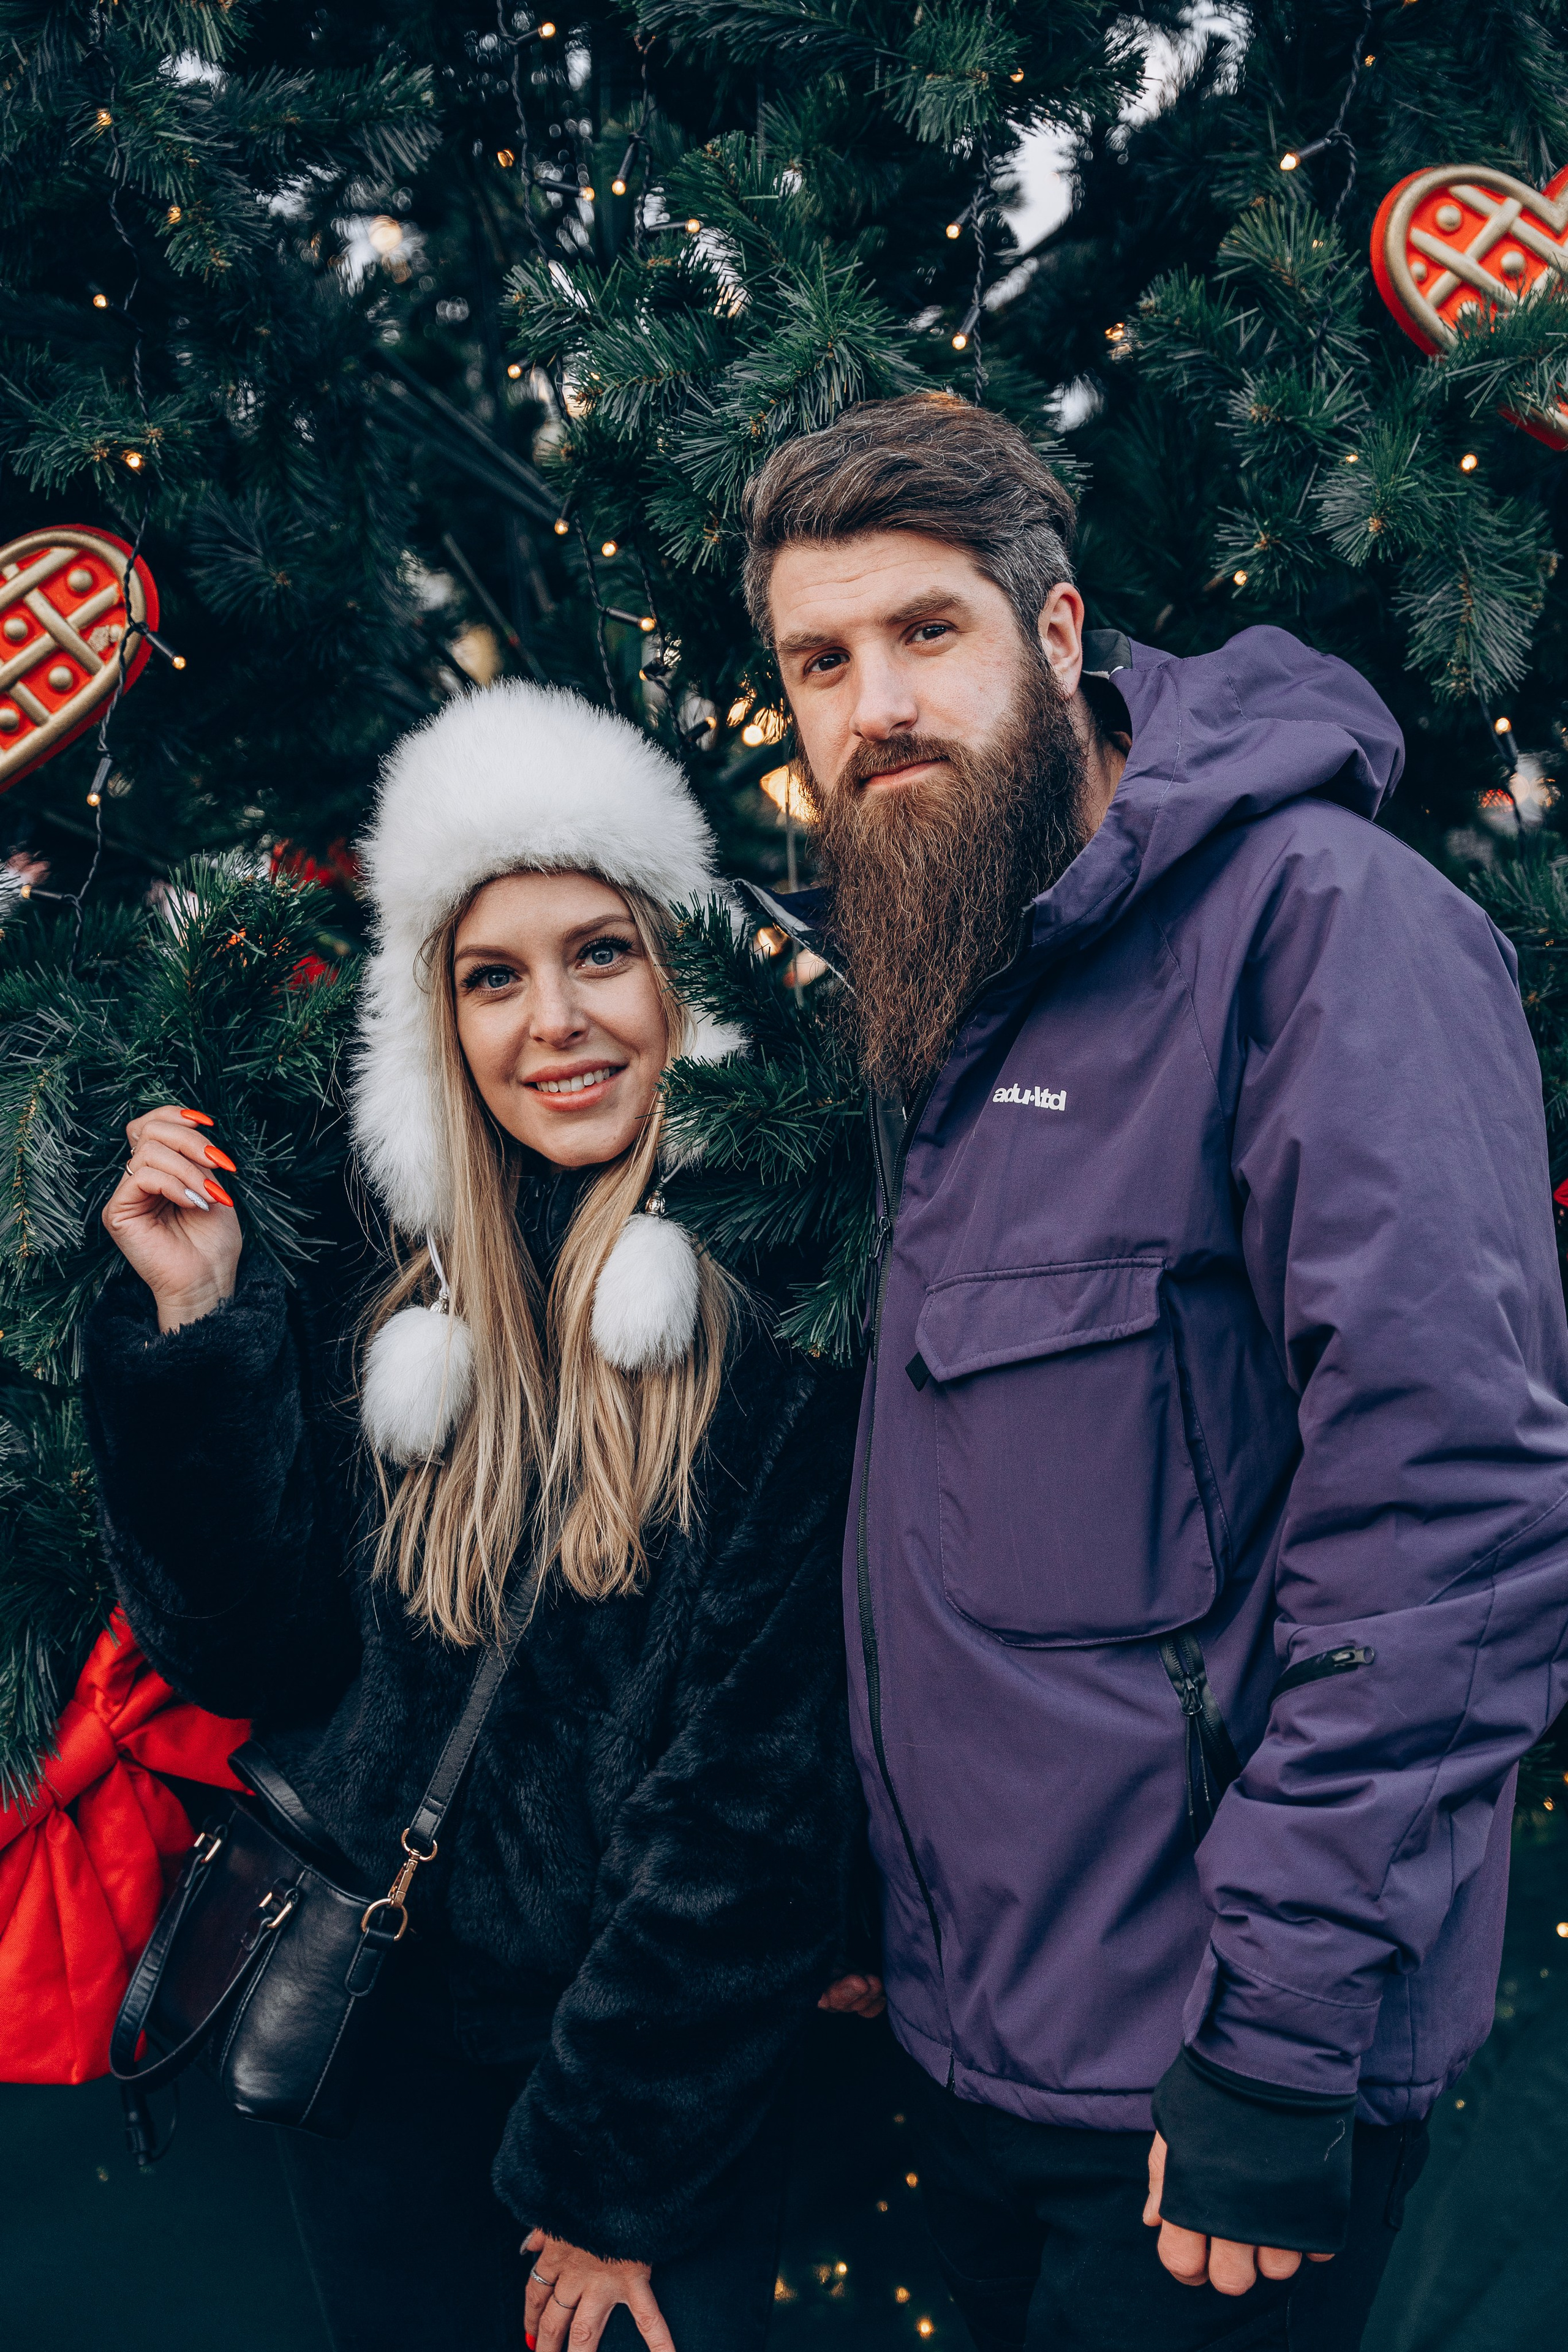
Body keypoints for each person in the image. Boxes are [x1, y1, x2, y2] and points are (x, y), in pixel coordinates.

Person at [738, 391, 1568, 2352]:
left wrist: (1278, 2041)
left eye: (925, 631)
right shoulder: (953, 964)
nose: (876, 707)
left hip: (1206, 2090)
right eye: (821, 663)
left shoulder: (1327, 932)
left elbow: (1453, 1524)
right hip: (976, 2054)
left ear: (1055, 634)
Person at [83, 682, 874, 2352]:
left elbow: (756, 1798)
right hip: (374, 2051)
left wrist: (610, 2178)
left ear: (681, 971)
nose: (555, 1023)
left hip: (636, 2089)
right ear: (436, 1020)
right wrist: (197, 1323)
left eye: (602, 953)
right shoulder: (400, 1280)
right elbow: (250, 1653)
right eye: (492, 977)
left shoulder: (793, 1294)